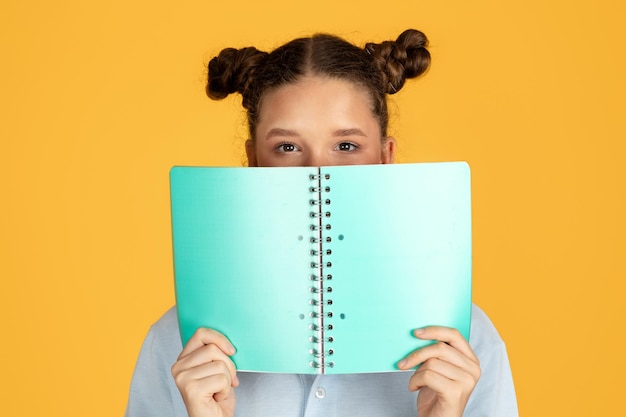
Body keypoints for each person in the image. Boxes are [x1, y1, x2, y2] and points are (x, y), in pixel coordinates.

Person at [125, 29, 518, 417]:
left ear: (385, 157)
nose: (316, 172)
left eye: (346, 145)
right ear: (253, 161)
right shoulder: (181, 345)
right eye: (287, 147)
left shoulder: (462, 343)